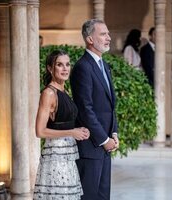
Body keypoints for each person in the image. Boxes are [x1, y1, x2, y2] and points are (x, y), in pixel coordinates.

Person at [70, 19, 119, 200]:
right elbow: (85, 109)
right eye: (103, 34)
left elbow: (109, 105)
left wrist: (114, 133)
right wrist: (103, 139)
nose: (109, 38)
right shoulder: (83, 67)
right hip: (91, 146)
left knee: (103, 195)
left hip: (105, 145)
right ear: (90, 39)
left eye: (108, 33)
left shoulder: (103, 65)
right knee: (90, 196)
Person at [33, 50, 90, 200]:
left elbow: (64, 123)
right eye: (59, 65)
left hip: (68, 154)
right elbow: (40, 131)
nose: (65, 68)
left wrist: (79, 130)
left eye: (67, 64)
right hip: (56, 156)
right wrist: (72, 132)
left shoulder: (63, 90)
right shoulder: (49, 93)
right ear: (50, 68)